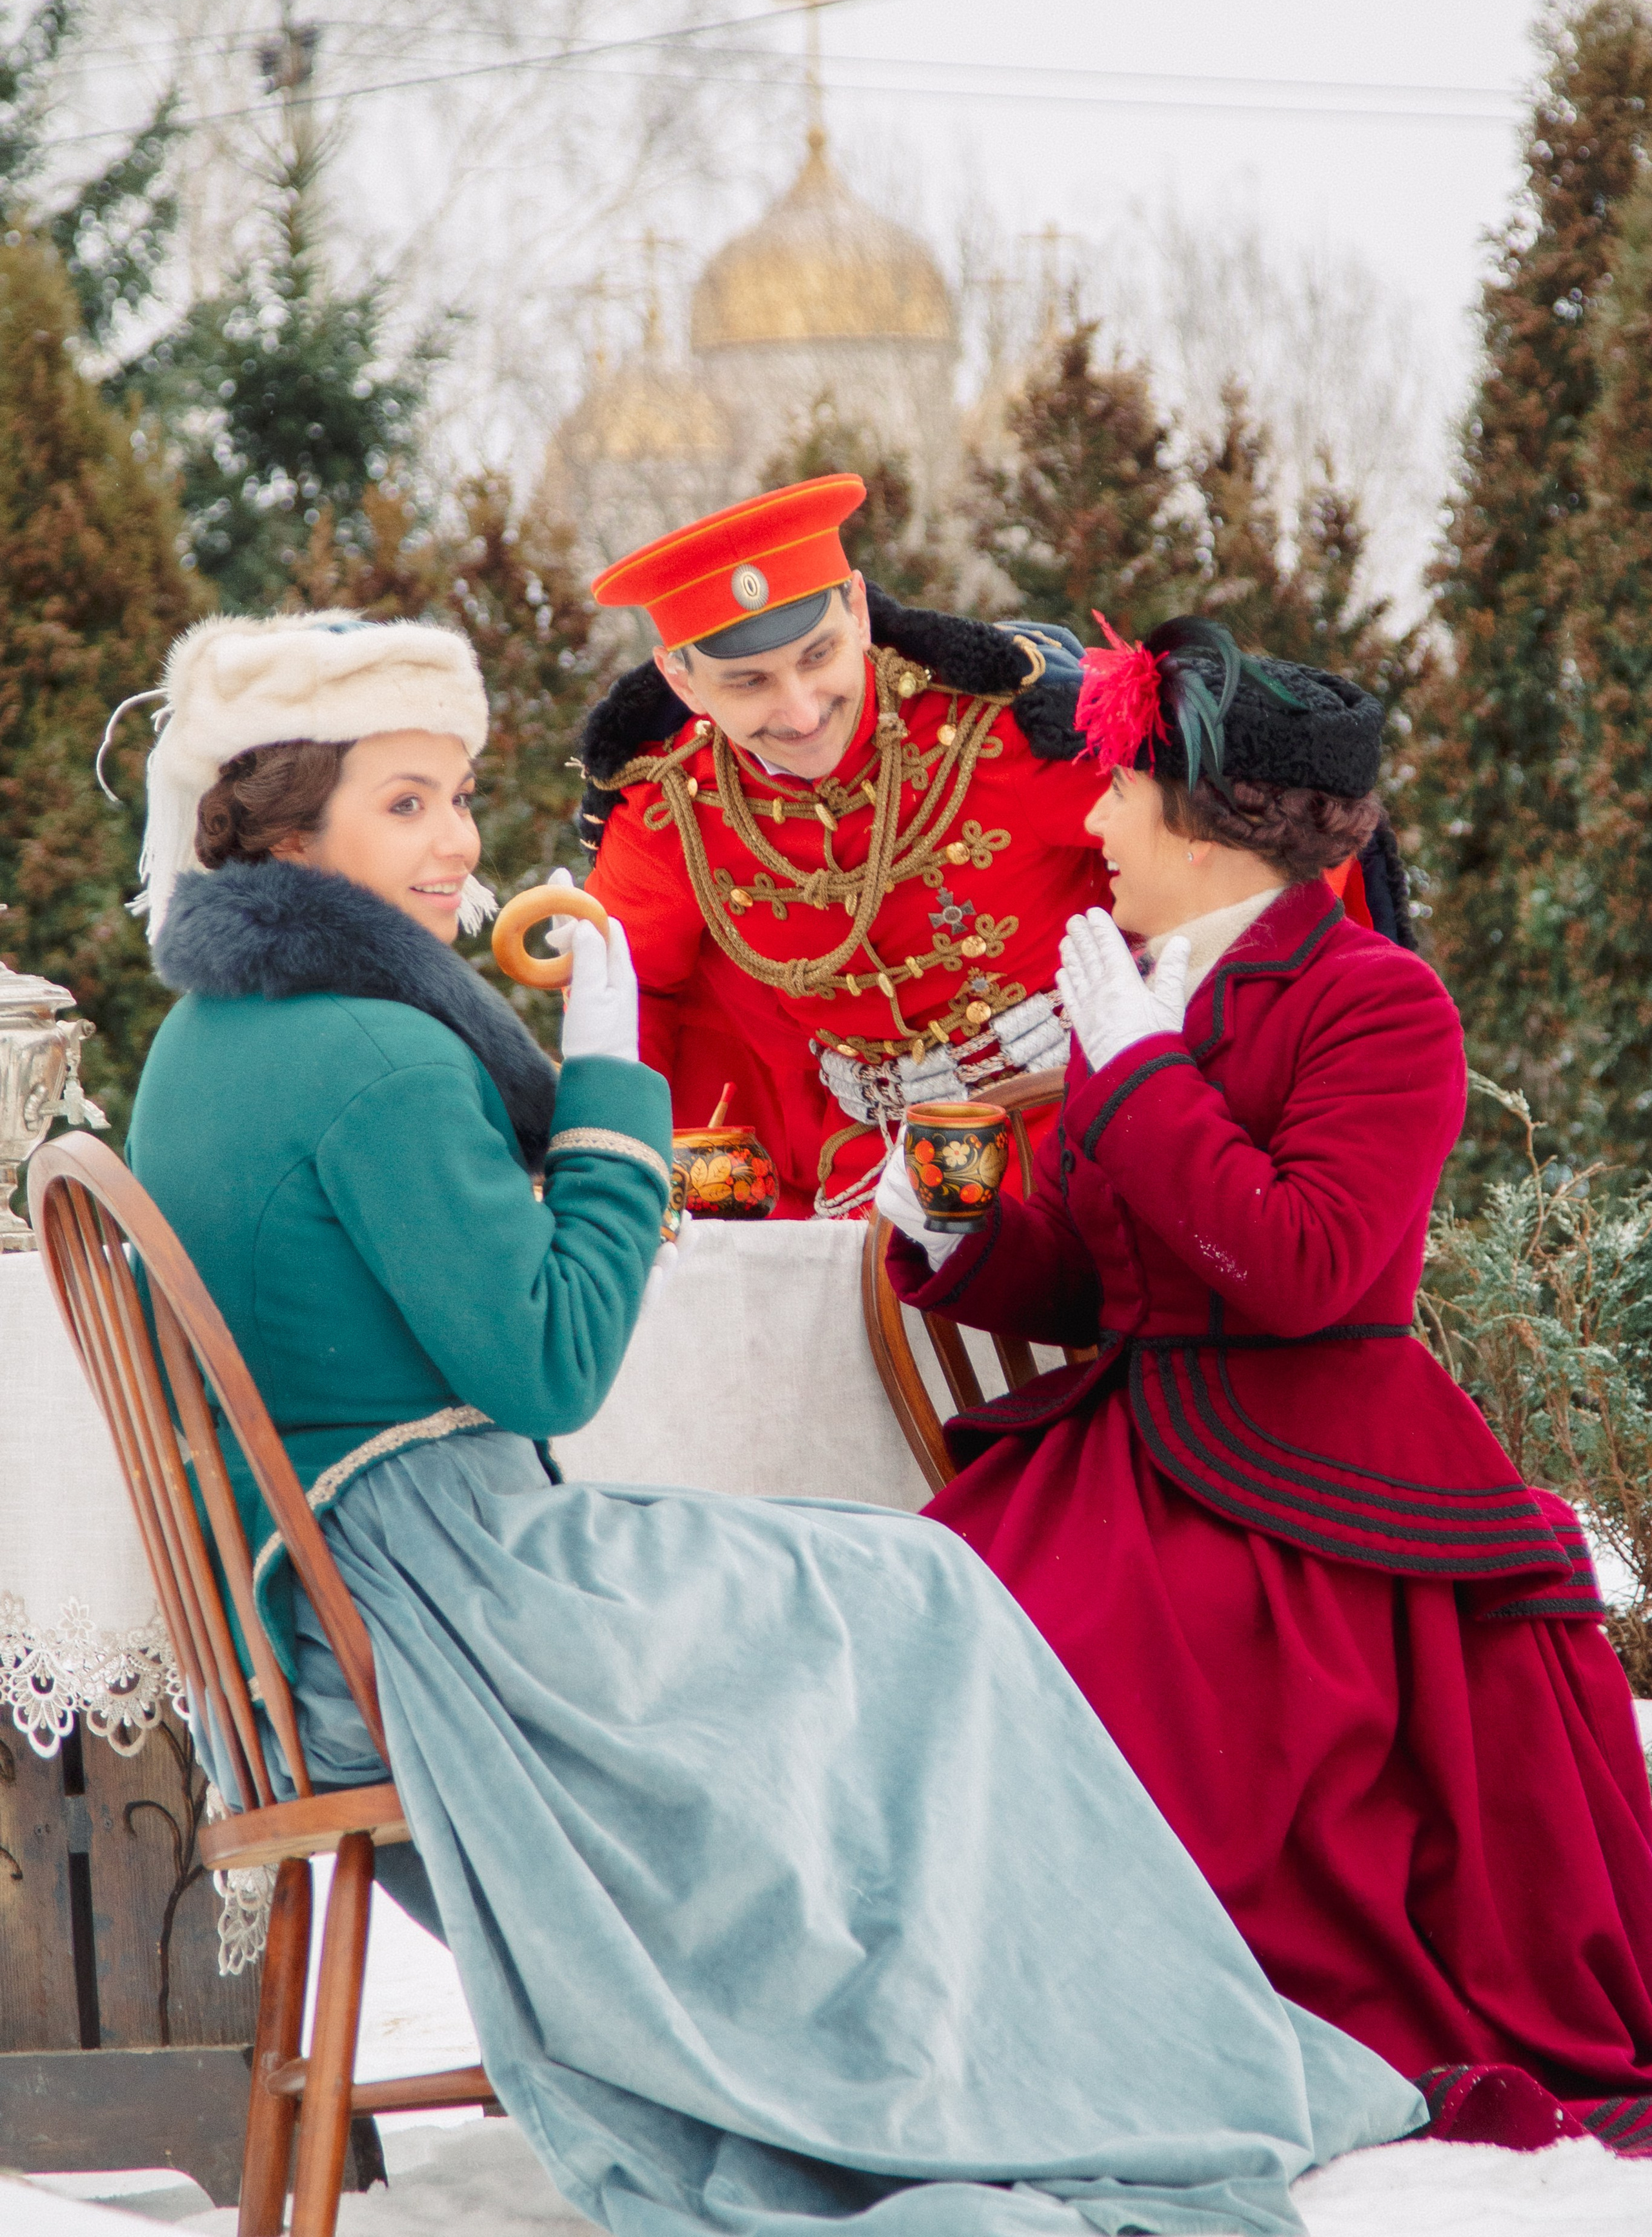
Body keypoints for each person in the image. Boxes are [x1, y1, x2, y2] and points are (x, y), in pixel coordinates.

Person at [114, 609, 1427, 2237]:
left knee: (885, 1577)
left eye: (455, 795)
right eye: (403, 804)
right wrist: (608, 1092)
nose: (456, 841)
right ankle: (959, 2056)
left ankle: (947, 2036)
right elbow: (552, 1368)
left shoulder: (206, 1038)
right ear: (281, 832)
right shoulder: (376, 1052)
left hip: (318, 1596)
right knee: (924, 1589)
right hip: (434, 1598)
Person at [876, 614, 1652, 2159]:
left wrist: (1136, 1069)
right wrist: (961, 1232)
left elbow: (1300, 1268)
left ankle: (1138, 2014)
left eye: (1115, 785)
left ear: (1207, 816)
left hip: (1311, 1477)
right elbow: (1108, 1285)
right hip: (1126, 1447)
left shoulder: (1376, 1002)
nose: (1090, 818)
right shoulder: (1140, 986)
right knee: (916, 1630)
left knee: (1090, 1670)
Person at [576, 475, 1118, 1218]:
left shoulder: (999, 729)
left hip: (1083, 1128)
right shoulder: (671, 808)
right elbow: (622, 997)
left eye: (818, 655)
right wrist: (628, 1182)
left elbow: (1203, 857)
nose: (800, 714)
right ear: (682, 680)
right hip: (870, 1173)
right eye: (748, 683)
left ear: (859, 612)